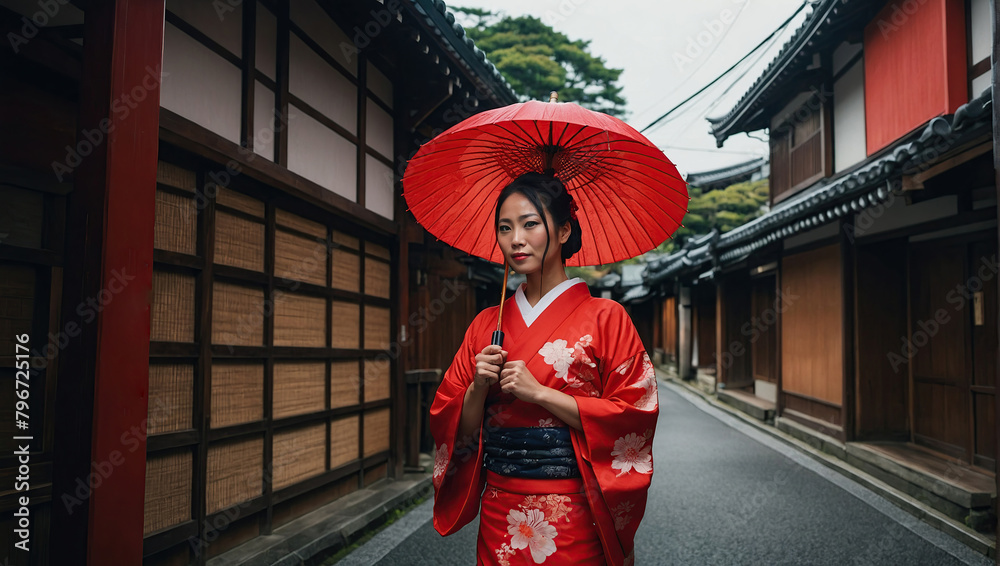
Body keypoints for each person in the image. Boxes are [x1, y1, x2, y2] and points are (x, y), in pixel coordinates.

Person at [429, 172, 659, 566]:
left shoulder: (607, 317)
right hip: (501, 513)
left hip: (575, 512)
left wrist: (540, 394)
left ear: (564, 230)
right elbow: (452, 428)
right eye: (505, 227)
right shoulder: (485, 324)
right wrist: (477, 388)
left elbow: (634, 414)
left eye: (530, 224)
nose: (515, 239)